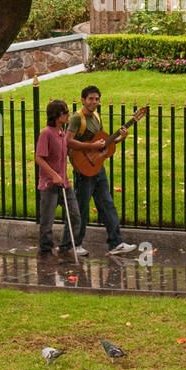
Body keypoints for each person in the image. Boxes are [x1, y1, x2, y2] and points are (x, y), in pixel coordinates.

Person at [66, 85, 137, 256]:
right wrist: (91, 145)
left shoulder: (97, 116)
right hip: (83, 170)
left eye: (97, 99)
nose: (94, 102)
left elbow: (102, 145)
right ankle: (74, 245)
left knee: (107, 204)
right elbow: (68, 142)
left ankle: (116, 243)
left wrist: (119, 139)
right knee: (81, 208)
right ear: (83, 99)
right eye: (91, 98)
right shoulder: (77, 118)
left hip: (97, 167)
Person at [36, 99, 82, 257]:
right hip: (50, 184)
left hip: (64, 183)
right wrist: (54, 175)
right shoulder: (46, 133)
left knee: (75, 216)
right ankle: (45, 251)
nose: (68, 115)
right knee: (47, 221)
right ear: (56, 116)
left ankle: (65, 247)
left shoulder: (62, 134)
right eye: (65, 112)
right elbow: (39, 158)